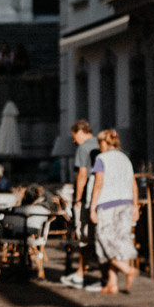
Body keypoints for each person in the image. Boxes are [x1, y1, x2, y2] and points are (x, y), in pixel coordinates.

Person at [89, 128, 139, 295]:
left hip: (107, 203)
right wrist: (136, 205)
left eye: (100, 143)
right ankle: (112, 283)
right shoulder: (125, 158)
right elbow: (133, 184)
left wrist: (93, 207)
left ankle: (127, 269)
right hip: (125, 203)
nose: (99, 146)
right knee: (120, 240)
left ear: (104, 142)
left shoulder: (101, 159)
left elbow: (98, 184)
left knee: (104, 240)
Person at [60, 119, 99, 290]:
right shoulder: (101, 144)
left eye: (74, 136)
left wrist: (77, 199)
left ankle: (80, 274)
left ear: (81, 132)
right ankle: (85, 273)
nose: (74, 140)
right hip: (103, 198)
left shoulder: (83, 148)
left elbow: (82, 175)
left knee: (84, 237)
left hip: (88, 198)